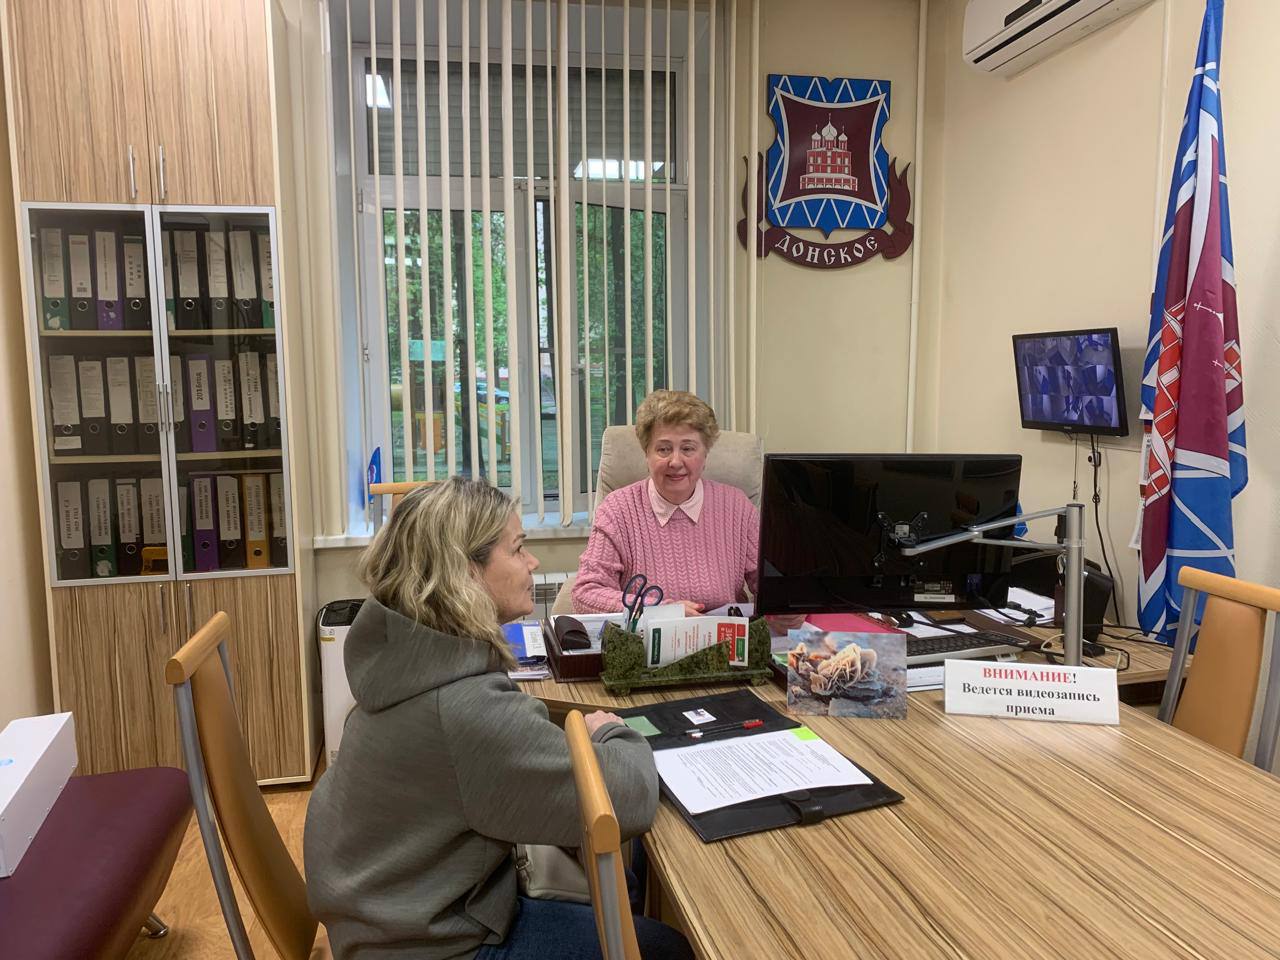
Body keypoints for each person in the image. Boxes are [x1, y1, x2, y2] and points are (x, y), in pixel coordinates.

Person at [304, 478, 693, 960]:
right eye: (518, 548)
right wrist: (612, 731)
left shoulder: (407, 658)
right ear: (468, 573)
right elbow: (626, 799)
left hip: (392, 913)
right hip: (429, 944)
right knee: (668, 948)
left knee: (624, 893)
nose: (533, 563)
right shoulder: (461, 708)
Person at [573, 390, 761, 616]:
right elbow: (586, 593)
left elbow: (769, 585)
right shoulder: (617, 510)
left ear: (705, 454)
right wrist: (660, 609)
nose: (675, 462)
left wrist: (784, 611)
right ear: (647, 454)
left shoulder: (737, 507)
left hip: (726, 634)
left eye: (688, 449)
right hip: (648, 635)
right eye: (663, 449)